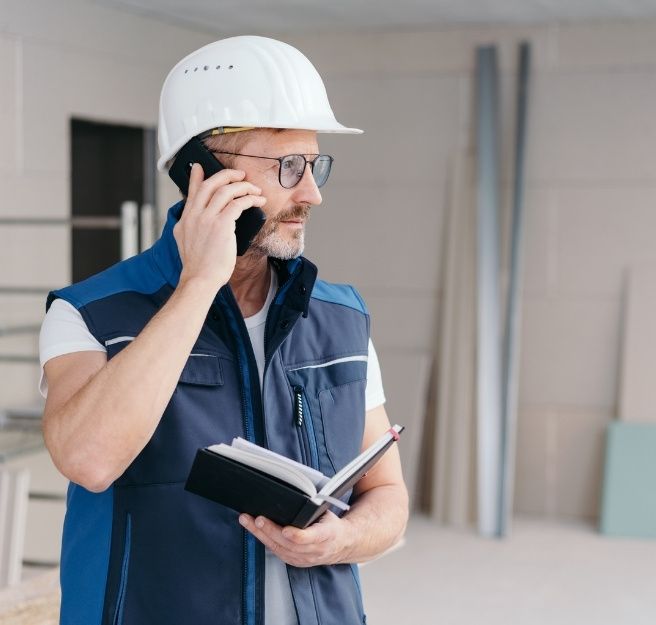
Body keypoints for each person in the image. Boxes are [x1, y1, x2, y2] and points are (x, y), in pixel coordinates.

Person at [39, 36, 408, 625]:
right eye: (289, 167)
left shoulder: (341, 318)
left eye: (315, 166)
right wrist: (197, 286)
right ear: (203, 173)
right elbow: (88, 459)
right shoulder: (92, 314)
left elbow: (387, 497)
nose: (311, 193)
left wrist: (340, 540)